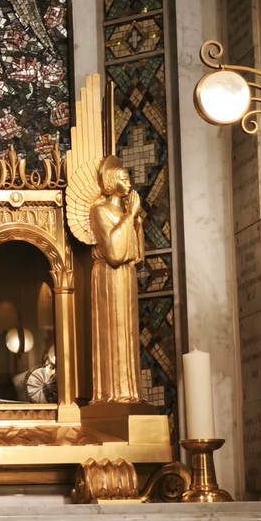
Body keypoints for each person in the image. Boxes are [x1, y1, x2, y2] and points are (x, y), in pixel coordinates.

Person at [89, 155, 143, 403]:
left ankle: (131, 392)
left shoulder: (125, 213)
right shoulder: (100, 210)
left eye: (129, 178)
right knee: (114, 331)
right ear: (111, 182)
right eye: (123, 178)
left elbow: (137, 256)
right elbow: (113, 252)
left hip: (126, 275)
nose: (129, 183)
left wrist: (136, 221)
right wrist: (129, 216)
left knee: (128, 332)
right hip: (109, 277)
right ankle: (112, 394)